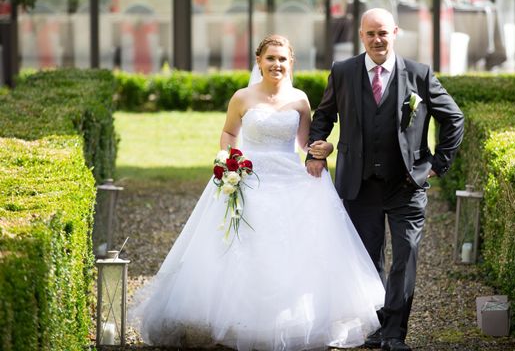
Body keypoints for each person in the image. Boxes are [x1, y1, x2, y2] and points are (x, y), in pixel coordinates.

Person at [129, 35, 385, 350]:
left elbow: (305, 144)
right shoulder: (242, 98)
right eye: (270, 59)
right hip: (247, 178)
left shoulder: (300, 100)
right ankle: (237, 321)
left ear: (291, 63)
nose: (276, 65)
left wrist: (322, 148)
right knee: (240, 250)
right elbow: (228, 133)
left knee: (292, 251)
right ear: (259, 62)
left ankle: (288, 321)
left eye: (282, 59)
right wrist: (230, 159)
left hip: (289, 179)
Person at [306, 8, 464, 351]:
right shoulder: (343, 71)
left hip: (406, 185)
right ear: (361, 36)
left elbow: (453, 118)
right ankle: (375, 326)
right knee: (366, 261)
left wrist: (437, 164)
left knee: (405, 258)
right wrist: (313, 151)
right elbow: (323, 116)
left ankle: (394, 334)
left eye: (383, 33)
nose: (377, 40)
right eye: (370, 34)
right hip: (358, 185)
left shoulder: (419, 75)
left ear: (395, 33)